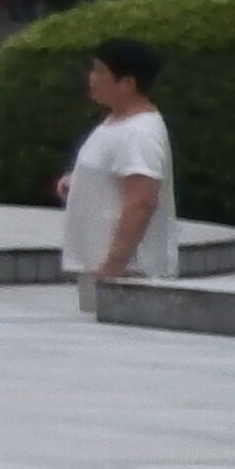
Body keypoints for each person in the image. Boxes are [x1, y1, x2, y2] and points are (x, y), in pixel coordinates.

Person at [63, 39, 178, 287]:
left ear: (128, 83)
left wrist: (113, 266)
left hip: (127, 276)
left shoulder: (140, 133)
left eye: (100, 72)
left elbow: (141, 202)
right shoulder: (115, 121)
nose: (92, 78)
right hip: (96, 267)